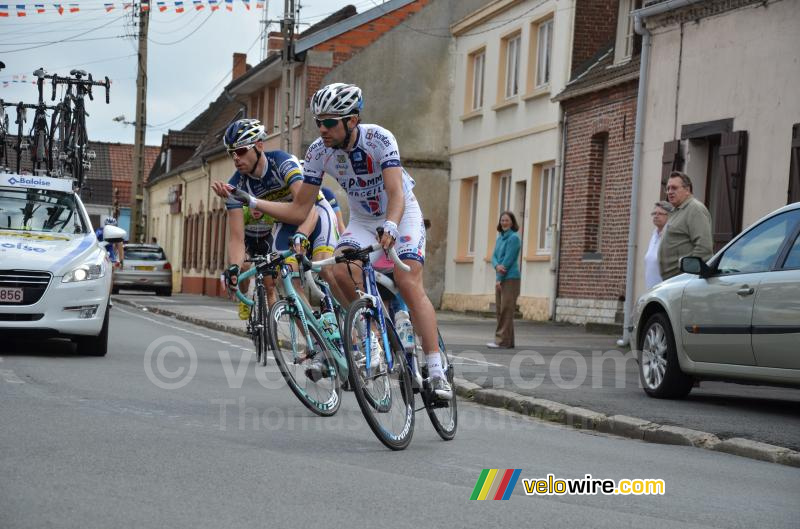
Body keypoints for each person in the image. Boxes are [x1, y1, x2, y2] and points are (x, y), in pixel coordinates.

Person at [222, 83, 451, 399]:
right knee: (337, 271)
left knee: (408, 281)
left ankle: (437, 372)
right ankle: (372, 333)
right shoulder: (318, 151)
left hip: (400, 212)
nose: (322, 129)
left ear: (352, 120)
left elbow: (396, 192)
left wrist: (391, 226)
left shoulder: (380, 139)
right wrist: (252, 202)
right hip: (362, 220)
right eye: (319, 122)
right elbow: (301, 207)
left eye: (329, 122)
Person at [210, 118, 340, 320]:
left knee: (325, 268)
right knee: (286, 282)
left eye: (242, 151)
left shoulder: (281, 162)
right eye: (231, 153)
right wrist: (234, 267)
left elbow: (307, 209)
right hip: (285, 222)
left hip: (316, 212)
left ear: (259, 146)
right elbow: (237, 238)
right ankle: (316, 343)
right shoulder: (236, 185)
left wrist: (302, 235)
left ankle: (356, 337)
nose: (236, 158)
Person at [658, 171, 713, 280]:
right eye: (668, 188)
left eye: (674, 188)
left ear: (687, 190)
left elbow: (704, 248)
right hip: (673, 281)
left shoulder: (694, 209)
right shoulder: (677, 210)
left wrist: (688, 275)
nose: (669, 192)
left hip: (684, 282)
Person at [487, 211, 521, 349]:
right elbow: (494, 256)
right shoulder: (500, 238)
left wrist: (499, 277)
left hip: (510, 278)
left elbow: (509, 259)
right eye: (502, 220)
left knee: (507, 309)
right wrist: (496, 265)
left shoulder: (514, 238)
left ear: (512, 222)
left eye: (507, 220)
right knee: (501, 309)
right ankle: (508, 341)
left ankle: (500, 341)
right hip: (500, 278)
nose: (504, 223)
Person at [643, 200, 674, 289]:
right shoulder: (654, 234)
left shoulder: (671, 235)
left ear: (669, 216)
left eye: (660, 213)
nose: (656, 216)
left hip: (665, 289)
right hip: (651, 289)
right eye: (654, 213)